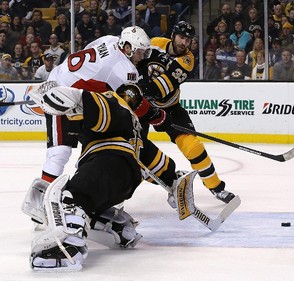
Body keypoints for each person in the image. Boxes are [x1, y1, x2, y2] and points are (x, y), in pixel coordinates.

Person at [21, 26, 182, 231]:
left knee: (95, 146)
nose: (142, 56)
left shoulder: (108, 39)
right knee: (60, 152)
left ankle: (94, 196)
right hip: (60, 95)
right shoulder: (126, 70)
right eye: (140, 51)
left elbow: (89, 64)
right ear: (128, 47)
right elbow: (130, 101)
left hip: (74, 96)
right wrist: (157, 117)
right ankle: (40, 207)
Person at [26, 81, 197, 271]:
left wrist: (53, 92)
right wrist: (174, 181)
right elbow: (157, 162)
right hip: (126, 179)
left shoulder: (110, 100)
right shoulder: (134, 125)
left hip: (106, 164)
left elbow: (83, 101)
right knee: (91, 202)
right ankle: (118, 227)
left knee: (71, 198)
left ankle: (68, 249)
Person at [137, 21, 236, 203]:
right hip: (141, 107)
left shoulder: (187, 61)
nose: (185, 43)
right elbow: (136, 59)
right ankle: (171, 182)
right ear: (173, 35)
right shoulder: (156, 42)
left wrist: (137, 91)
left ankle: (216, 188)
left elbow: (161, 88)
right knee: (135, 150)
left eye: (188, 40)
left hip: (169, 107)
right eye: (182, 38)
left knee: (193, 146)